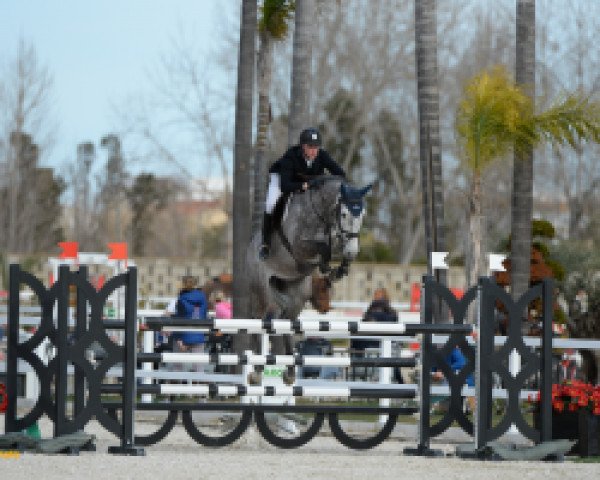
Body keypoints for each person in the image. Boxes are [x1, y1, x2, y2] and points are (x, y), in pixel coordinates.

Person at [259, 127, 346, 260]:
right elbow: (285, 186)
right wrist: (303, 186)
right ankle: (265, 243)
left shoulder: (322, 155)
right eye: (310, 147)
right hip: (282, 179)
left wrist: (325, 180)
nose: (313, 151)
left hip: (305, 181)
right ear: (302, 147)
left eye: (316, 147)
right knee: (271, 204)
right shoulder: (290, 157)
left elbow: (340, 174)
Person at [351, 288, 403, 383]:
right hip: (384, 348)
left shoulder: (369, 313)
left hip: (370, 348)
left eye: (377, 296)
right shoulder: (392, 314)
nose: (375, 298)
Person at [171, 276, 208, 372]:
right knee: (199, 367)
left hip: (183, 334)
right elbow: (203, 314)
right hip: (198, 333)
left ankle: (176, 384)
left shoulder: (182, 298)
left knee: (177, 367)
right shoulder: (202, 297)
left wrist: (178, 337)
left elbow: (180, 317)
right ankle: (199, 384)